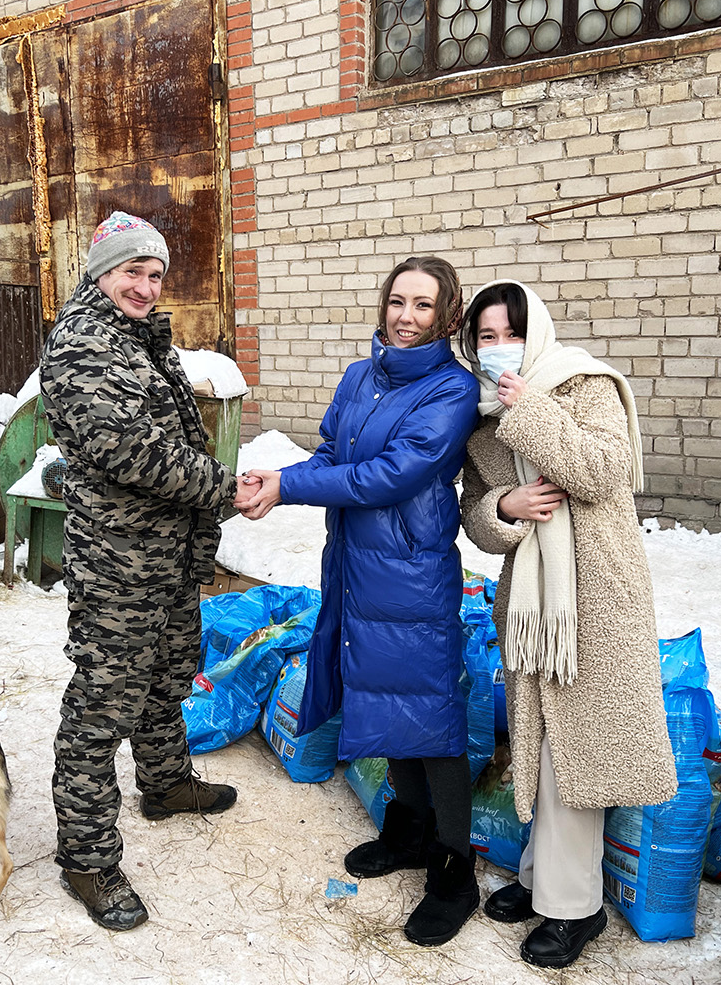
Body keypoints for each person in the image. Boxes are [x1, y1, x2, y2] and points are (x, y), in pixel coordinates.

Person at [235, 256, 482, 946]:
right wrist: (277, 478)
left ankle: (455, 872)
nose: (406, 317)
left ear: (448, 315)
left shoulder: (452, 389)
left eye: (423, 305)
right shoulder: (359, 376)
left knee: (428, 711)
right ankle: (410, 831)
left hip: (409, 570)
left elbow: (389, 475)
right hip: (351, 562)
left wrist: (290, 488)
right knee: (380, 691)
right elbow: (331, 454)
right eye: (397, 301)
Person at [37, 211, 251, 931]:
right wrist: (229, 489)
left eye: (156, 275)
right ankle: (87, 859)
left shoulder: (133, 337)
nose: (147, 286)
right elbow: (133, 452)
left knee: (165, 677)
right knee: (102, 709)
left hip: (164, 554)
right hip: (118, 564)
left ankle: (165, 785)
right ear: (102, 272)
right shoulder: (84, 344)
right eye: (133, 271)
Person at [457, 279, 678, 969]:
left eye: (512, 333)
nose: (500, 348)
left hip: (597, 598)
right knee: (541, 742)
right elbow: (474, 517)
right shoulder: (479, 417)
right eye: (486, 337)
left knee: (575, 754)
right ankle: (541, 878)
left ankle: (574, 908)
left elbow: (605, 470)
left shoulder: (585, 383)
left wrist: (530, 409)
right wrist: (505, 506)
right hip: (532, 605)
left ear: (538, 333)